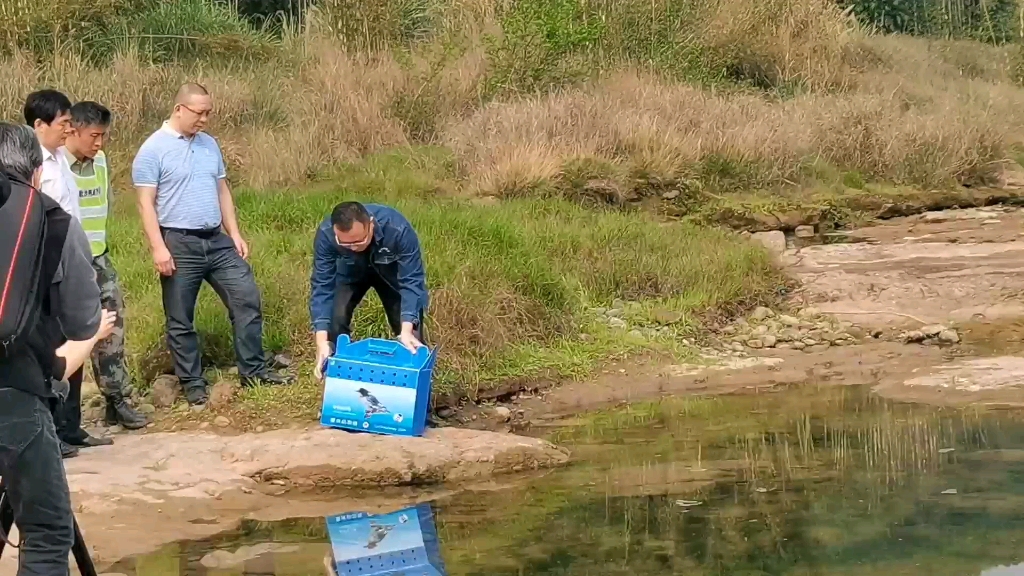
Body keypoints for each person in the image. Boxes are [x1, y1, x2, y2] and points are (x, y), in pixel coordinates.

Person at [0, 122, 116, 575]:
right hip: (14, 391)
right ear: (35, 173)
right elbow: (82, 321)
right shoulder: (49, 220)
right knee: (47, 533)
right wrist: (93, 334)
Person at [131, 82, 291, 409]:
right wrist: (158, 248)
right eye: (198, 113)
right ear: (179, 109)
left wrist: (235, 232)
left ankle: (254, 370)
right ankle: (192, 383)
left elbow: (222, 191)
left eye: (208, 113)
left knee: (246, 299)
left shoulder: (209, 145)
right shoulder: (153, 150)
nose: (204, 119)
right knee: (180, 317)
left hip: (216, 241)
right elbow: (145, 204)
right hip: (178, 241)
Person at [63, 100, 150, 432]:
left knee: (111, 330)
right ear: (74, 130)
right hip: (68, 263)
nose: (99, 144)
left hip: (99, 259)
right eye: (94, 136)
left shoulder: (100, 162)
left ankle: (117, 400)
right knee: (71, 334)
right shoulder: (56, 166)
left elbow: (105, 206)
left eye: (103, 137)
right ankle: (65, 417)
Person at [24, 88, 99, 457]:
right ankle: (51, 430)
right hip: (48, 270)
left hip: (71, 262)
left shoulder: (60, 160)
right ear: (39, 125)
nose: (68, 131)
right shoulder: (31, 166)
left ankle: (71, 426)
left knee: (77, 339)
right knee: (53, 348)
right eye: (63, 124)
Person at [309, 201, 429, 379]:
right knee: (336, 317)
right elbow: (322, 285)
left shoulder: (398, 229)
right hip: (349, 271)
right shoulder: (327, 234)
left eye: (358, 241)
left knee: (411, 334)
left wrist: (406, 329)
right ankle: (339, 378)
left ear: (370, 224)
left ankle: (415, 386)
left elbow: (412, 281)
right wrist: (321, 342)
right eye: (346, 244)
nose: (354, 247)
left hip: (390, 272)